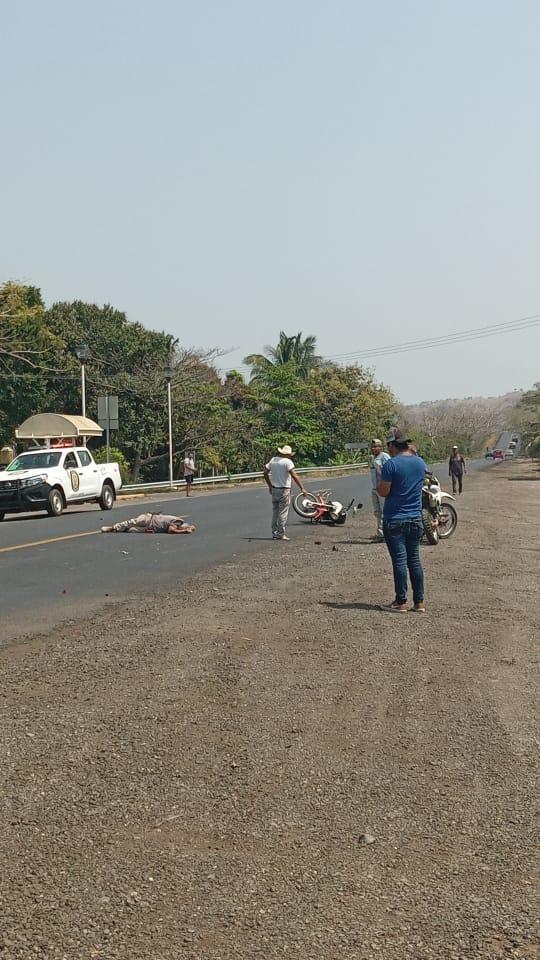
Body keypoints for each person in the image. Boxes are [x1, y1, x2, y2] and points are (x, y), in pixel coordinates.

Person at [377, 428, 426, 613]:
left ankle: (401, 601)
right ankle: (419, 602)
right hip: (415, 518)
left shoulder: (391, 465)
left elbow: (384, 491)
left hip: (395, 519)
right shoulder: (420, 462)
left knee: (399, 561)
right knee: (414, 560)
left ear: (391, 445)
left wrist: (379, 484)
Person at [264, 444, 307, 541]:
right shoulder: (288, 462)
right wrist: (302, 488)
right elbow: (294, 476)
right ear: (287, 454)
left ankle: (274, 533)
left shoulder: (273, 460)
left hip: (275, 489)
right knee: (283, 513)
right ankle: (281, 534)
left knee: (275, 512)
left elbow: (265, 473)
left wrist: (270, 485)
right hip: (284, 490)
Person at [369, 438, 390, 541]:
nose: (373, 448)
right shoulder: (372, 458)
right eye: (372, 447)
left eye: (375, 446)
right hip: (375, 487)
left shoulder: (385, 457)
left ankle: (386, 533)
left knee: (384, 511)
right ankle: (380, 533)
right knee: (377, 512)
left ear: (380, 447)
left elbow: (389, 472)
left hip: (382, 488)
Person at [101, 513, 196, 534]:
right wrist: (184, 531)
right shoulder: (178, 521)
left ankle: (117, 530)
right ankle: (112, 527)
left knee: (131, 530)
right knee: (131, 522)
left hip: (150, 528)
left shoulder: (179, 524)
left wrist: (188, 529)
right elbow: (171, 530)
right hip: (149, 519)